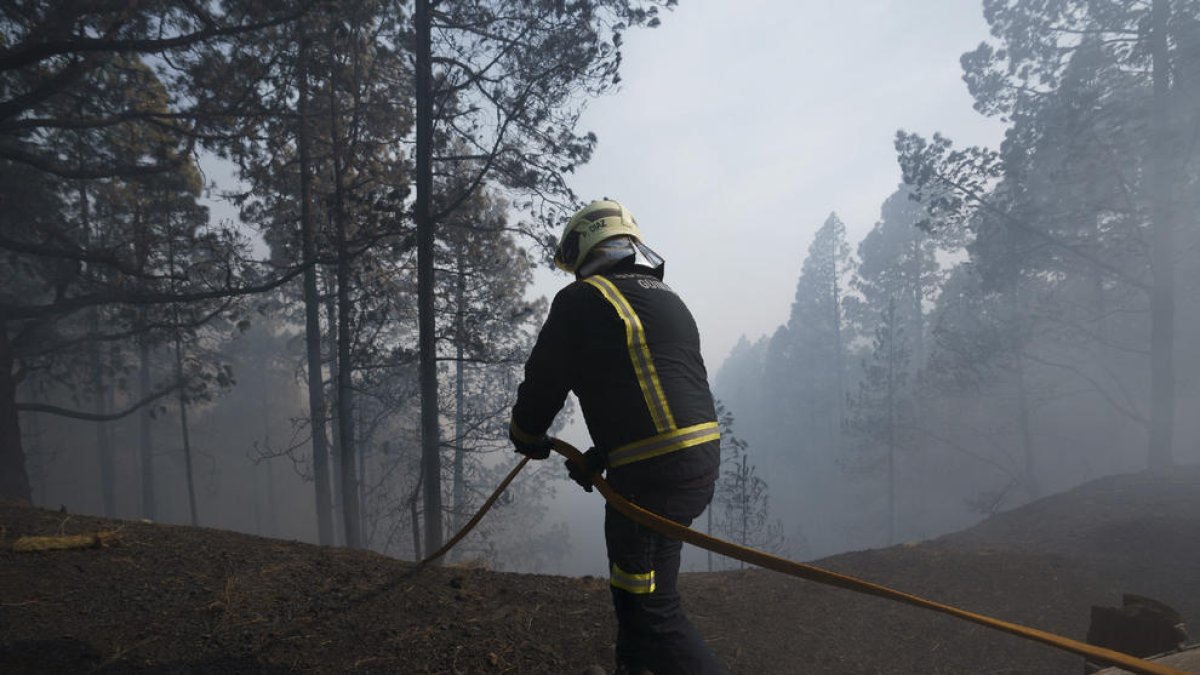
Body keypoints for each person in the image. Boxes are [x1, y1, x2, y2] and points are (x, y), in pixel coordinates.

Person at [508, 199, 727, 675]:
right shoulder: (664, 296)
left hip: (652, 476)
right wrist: (601, 455)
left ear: (584, 245)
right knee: (637, 593)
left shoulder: (583, 300)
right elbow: (647, 392)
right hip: (693, 463)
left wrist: (526, 433)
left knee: (652, 610)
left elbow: (545, 379)